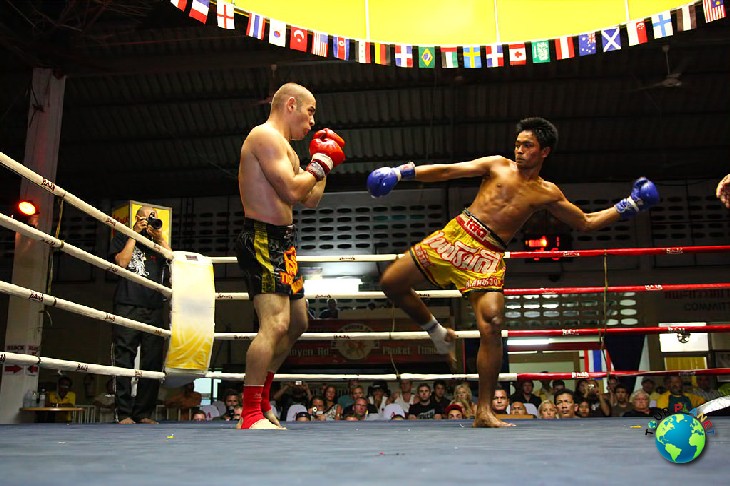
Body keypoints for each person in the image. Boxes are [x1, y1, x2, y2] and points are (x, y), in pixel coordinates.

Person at [368, 117, 659, 427]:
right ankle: (439, 333)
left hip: (488, 253)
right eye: (518, 144)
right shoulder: (497, 165)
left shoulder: (547, 192)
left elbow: (584, 222)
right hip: (457, 235)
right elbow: (451, 170)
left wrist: (629, 204)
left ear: (544, 152)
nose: (519, 150)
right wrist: (403, 172)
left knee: (492, 324)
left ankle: (484, 411)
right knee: (391, 283)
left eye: (527, 146)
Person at [233, 82, 346, 429]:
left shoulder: (289, 151)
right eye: (311, 112)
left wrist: (322, 166)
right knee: (275, 323)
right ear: (291, 105)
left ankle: (263, 399)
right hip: (261, 237)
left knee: (297, 323)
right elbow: (292, 190)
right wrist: (320, 163)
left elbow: (310, 198)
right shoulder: (264, 137)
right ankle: (249, 413)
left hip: (284, 241)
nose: (313, 121)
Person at [109, 205, 171, 425]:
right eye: (148, 217)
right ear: (138, 218)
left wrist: (160, 237)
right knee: (124, 358)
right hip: (127, 304)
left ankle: (144, 413)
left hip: (153, 307)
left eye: (155, 217)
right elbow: (122, 262)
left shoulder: (157, 243)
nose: (152, 220)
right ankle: (124, 413)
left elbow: (172, 260)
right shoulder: (122, 236)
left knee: (152, 361)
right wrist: (135, 234)